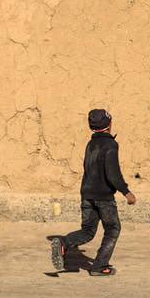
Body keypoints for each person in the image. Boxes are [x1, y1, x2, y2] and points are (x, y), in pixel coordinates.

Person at [50, 109, 136, 276]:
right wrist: (126, 192)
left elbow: (87, 168)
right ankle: (99, 266)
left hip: (87, 194)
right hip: (103, 197)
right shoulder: (111, 145)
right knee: (113, 229)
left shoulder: (90, 144)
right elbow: (113, 173)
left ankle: (63, 242)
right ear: (109, 125)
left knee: (88, 231)